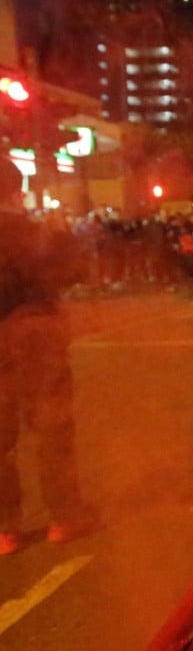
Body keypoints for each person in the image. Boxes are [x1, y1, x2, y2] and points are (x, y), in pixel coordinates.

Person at [0, 159, 97, 555]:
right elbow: (73, 270)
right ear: (15, 190)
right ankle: (65, 517)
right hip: (35, 333)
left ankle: (5, 529)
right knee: (51, 428)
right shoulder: (33, 232)